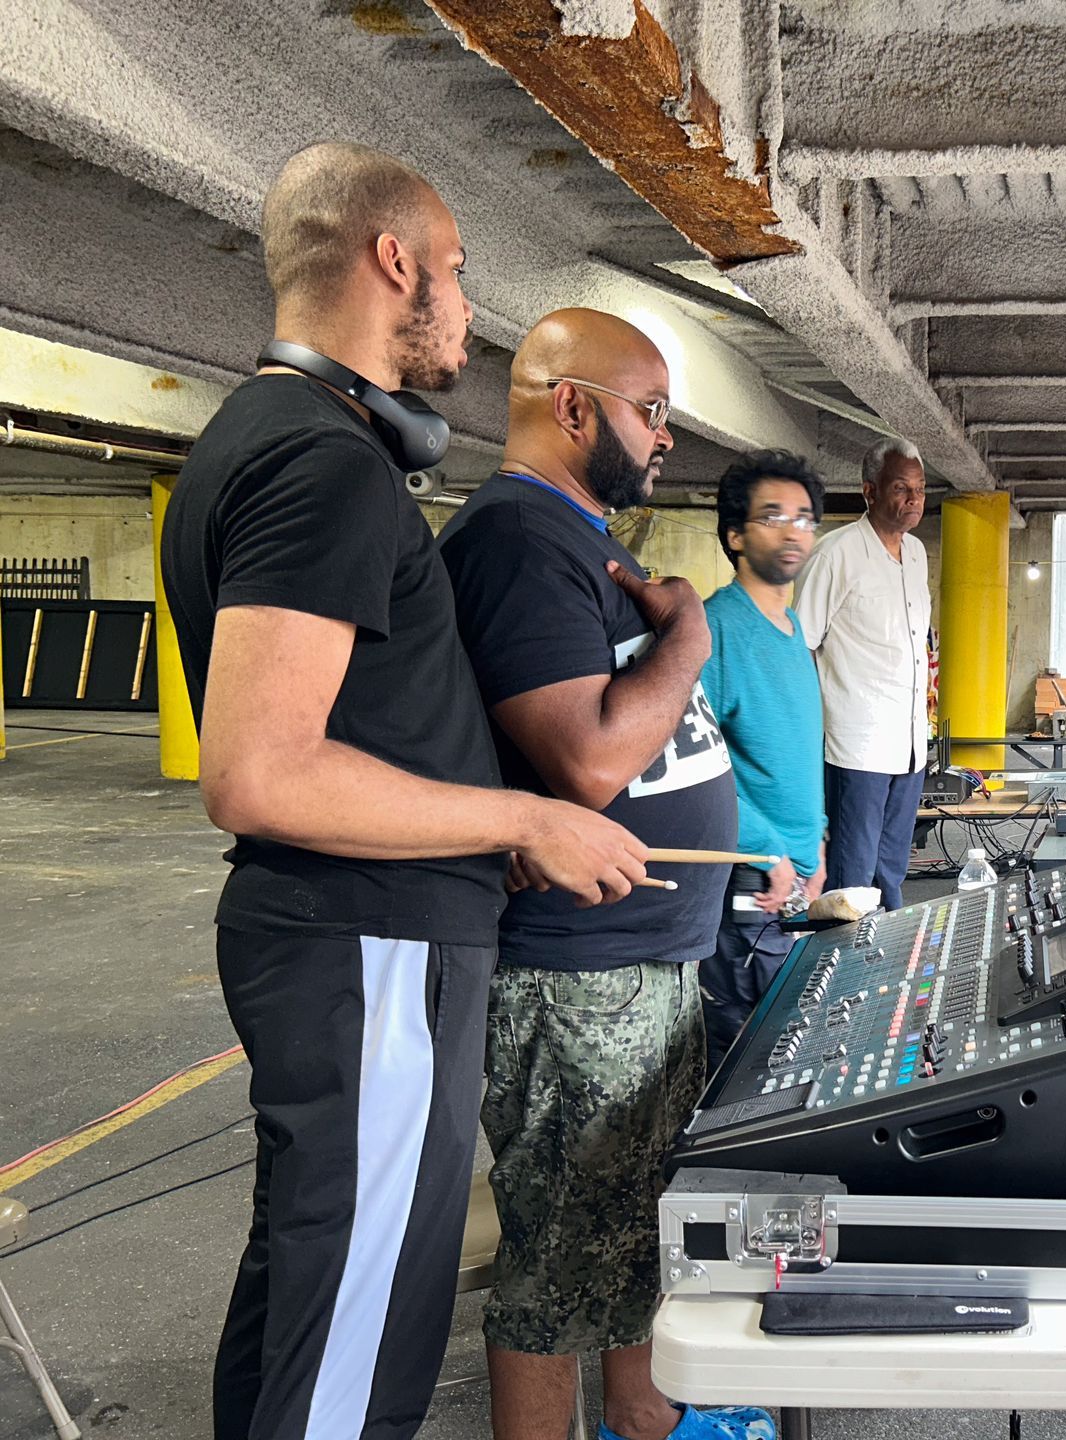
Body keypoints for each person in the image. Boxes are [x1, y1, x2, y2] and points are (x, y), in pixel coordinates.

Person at [159, 144, 650, 1440]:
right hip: (369, 953)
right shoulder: (322, 463)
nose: (468, 311)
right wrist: (524, 816)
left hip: (360, 942)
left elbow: (350, 732)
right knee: (356, 1358)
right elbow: (258, 773)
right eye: (456, 271)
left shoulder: (270, 443)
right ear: (393, 261)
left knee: (311, 1311)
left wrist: (486, 829)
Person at [436, 309, 768, 1440]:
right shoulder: (518, 541)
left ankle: (644, 1413)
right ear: (571, 404)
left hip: (642, 963)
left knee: (630, 1228)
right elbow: (587, 758)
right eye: (652, 411)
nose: (668, 437)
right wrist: (688, 637)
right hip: (576, 979)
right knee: (558, 1260)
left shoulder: (577, 538)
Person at [698, 450, 830, 1072]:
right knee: (745, 1049)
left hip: (795, 874)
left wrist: (818, 845)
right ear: (735, 534)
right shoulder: (716, 629)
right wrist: (767, 852)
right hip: (751, 878)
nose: (792, 530)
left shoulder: (791, 625)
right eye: (772, 515)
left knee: (786, 1034)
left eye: (804, 518)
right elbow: (696, 761)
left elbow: (795, 751)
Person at [793, 437, 932, 911]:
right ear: (869, 491)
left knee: (891, 868)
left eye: (919, 488)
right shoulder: (836, 555)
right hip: (858, 745)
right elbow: (801, 647)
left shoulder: (916, 555)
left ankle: (888, 963)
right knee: (854, 876)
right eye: (900, 488)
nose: (913, 498)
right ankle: (845, 971)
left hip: (910, 740)